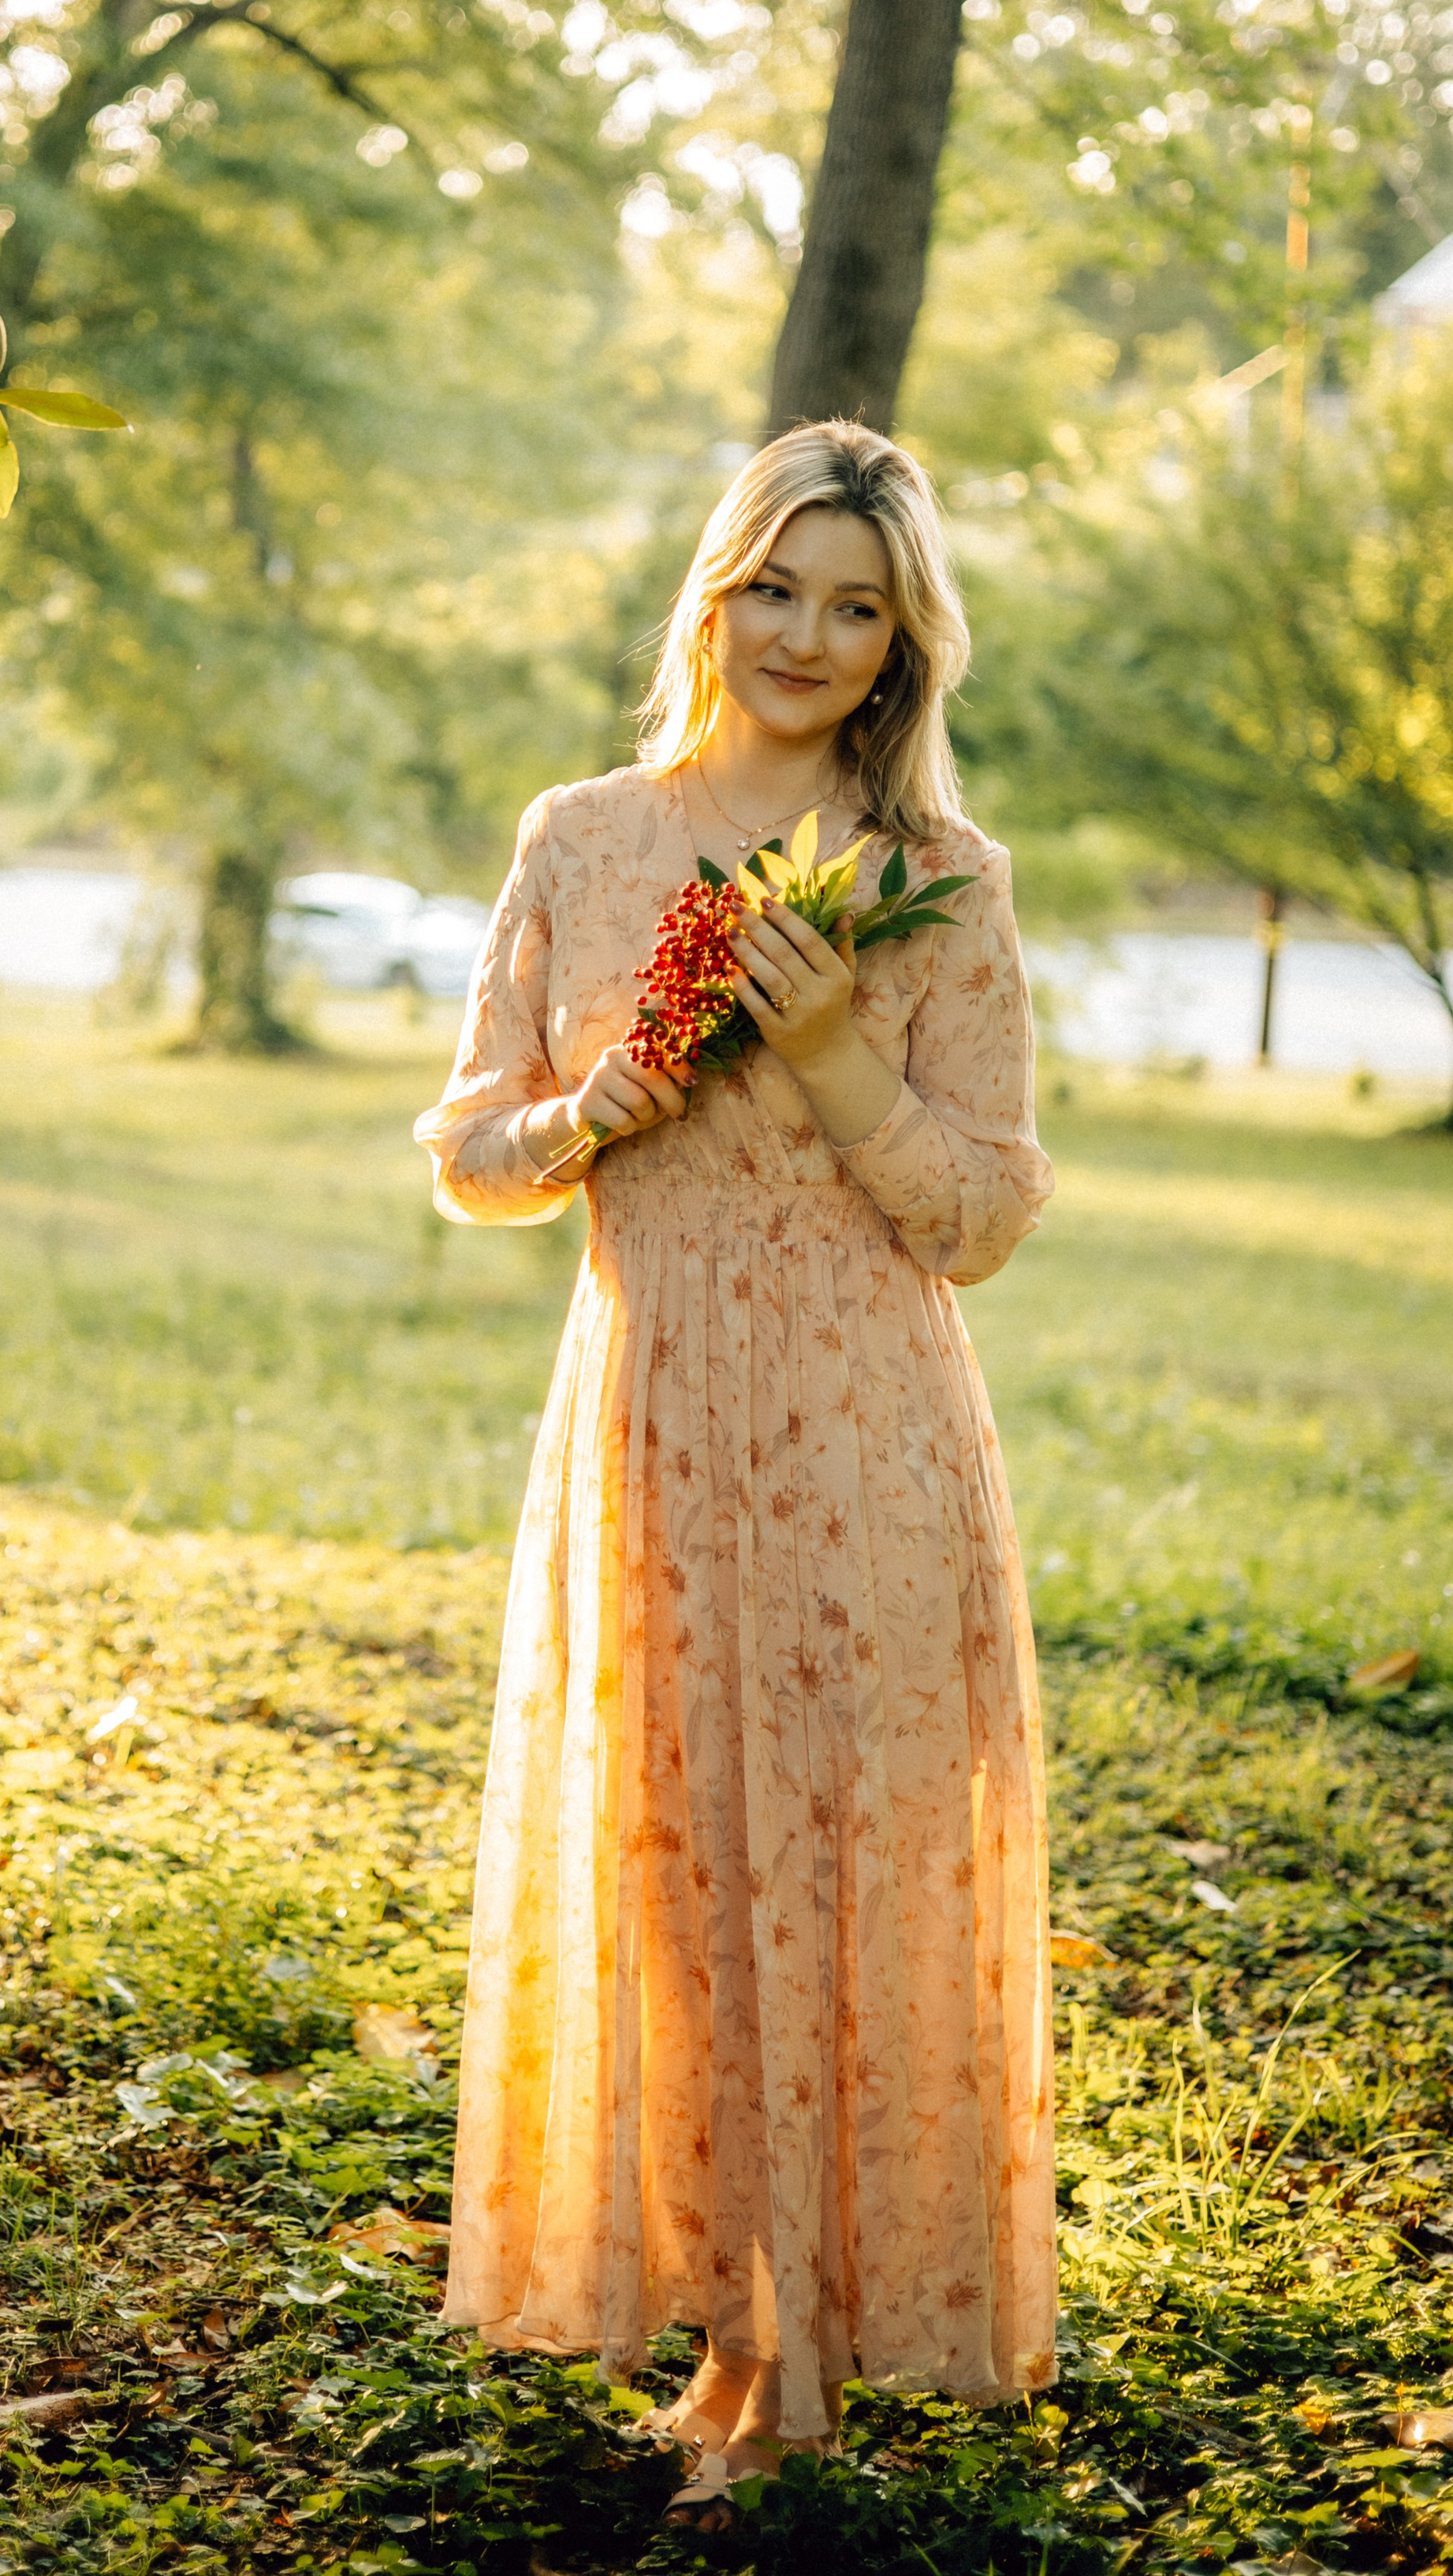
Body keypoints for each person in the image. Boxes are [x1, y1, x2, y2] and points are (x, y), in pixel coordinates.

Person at [415, 421, 1057, 2523]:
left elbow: (976, 1210)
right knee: (680, 1861)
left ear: (899, 647)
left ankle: (806, 2355)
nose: (806, 633)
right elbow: (470, 1157)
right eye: (776, 586)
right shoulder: (588, 837)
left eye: (855, 606)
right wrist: (608, 1095)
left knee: (847, 1864)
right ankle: (718, 2313)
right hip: (653, 1421)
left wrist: (838, 1058)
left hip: (870, 1431)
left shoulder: (944, 881)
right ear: (716, 589)